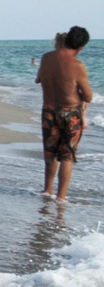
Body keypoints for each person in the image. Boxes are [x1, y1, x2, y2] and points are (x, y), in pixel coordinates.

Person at [35, 26, 93, 202]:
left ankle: (47, 190)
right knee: (67, 156)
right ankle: (61, 198)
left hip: (49, 110)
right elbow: (88, 96)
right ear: (81, 46)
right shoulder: (78, 65)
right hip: (71, 112)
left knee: (50, 153)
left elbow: (38, 79)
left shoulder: (46, 58)